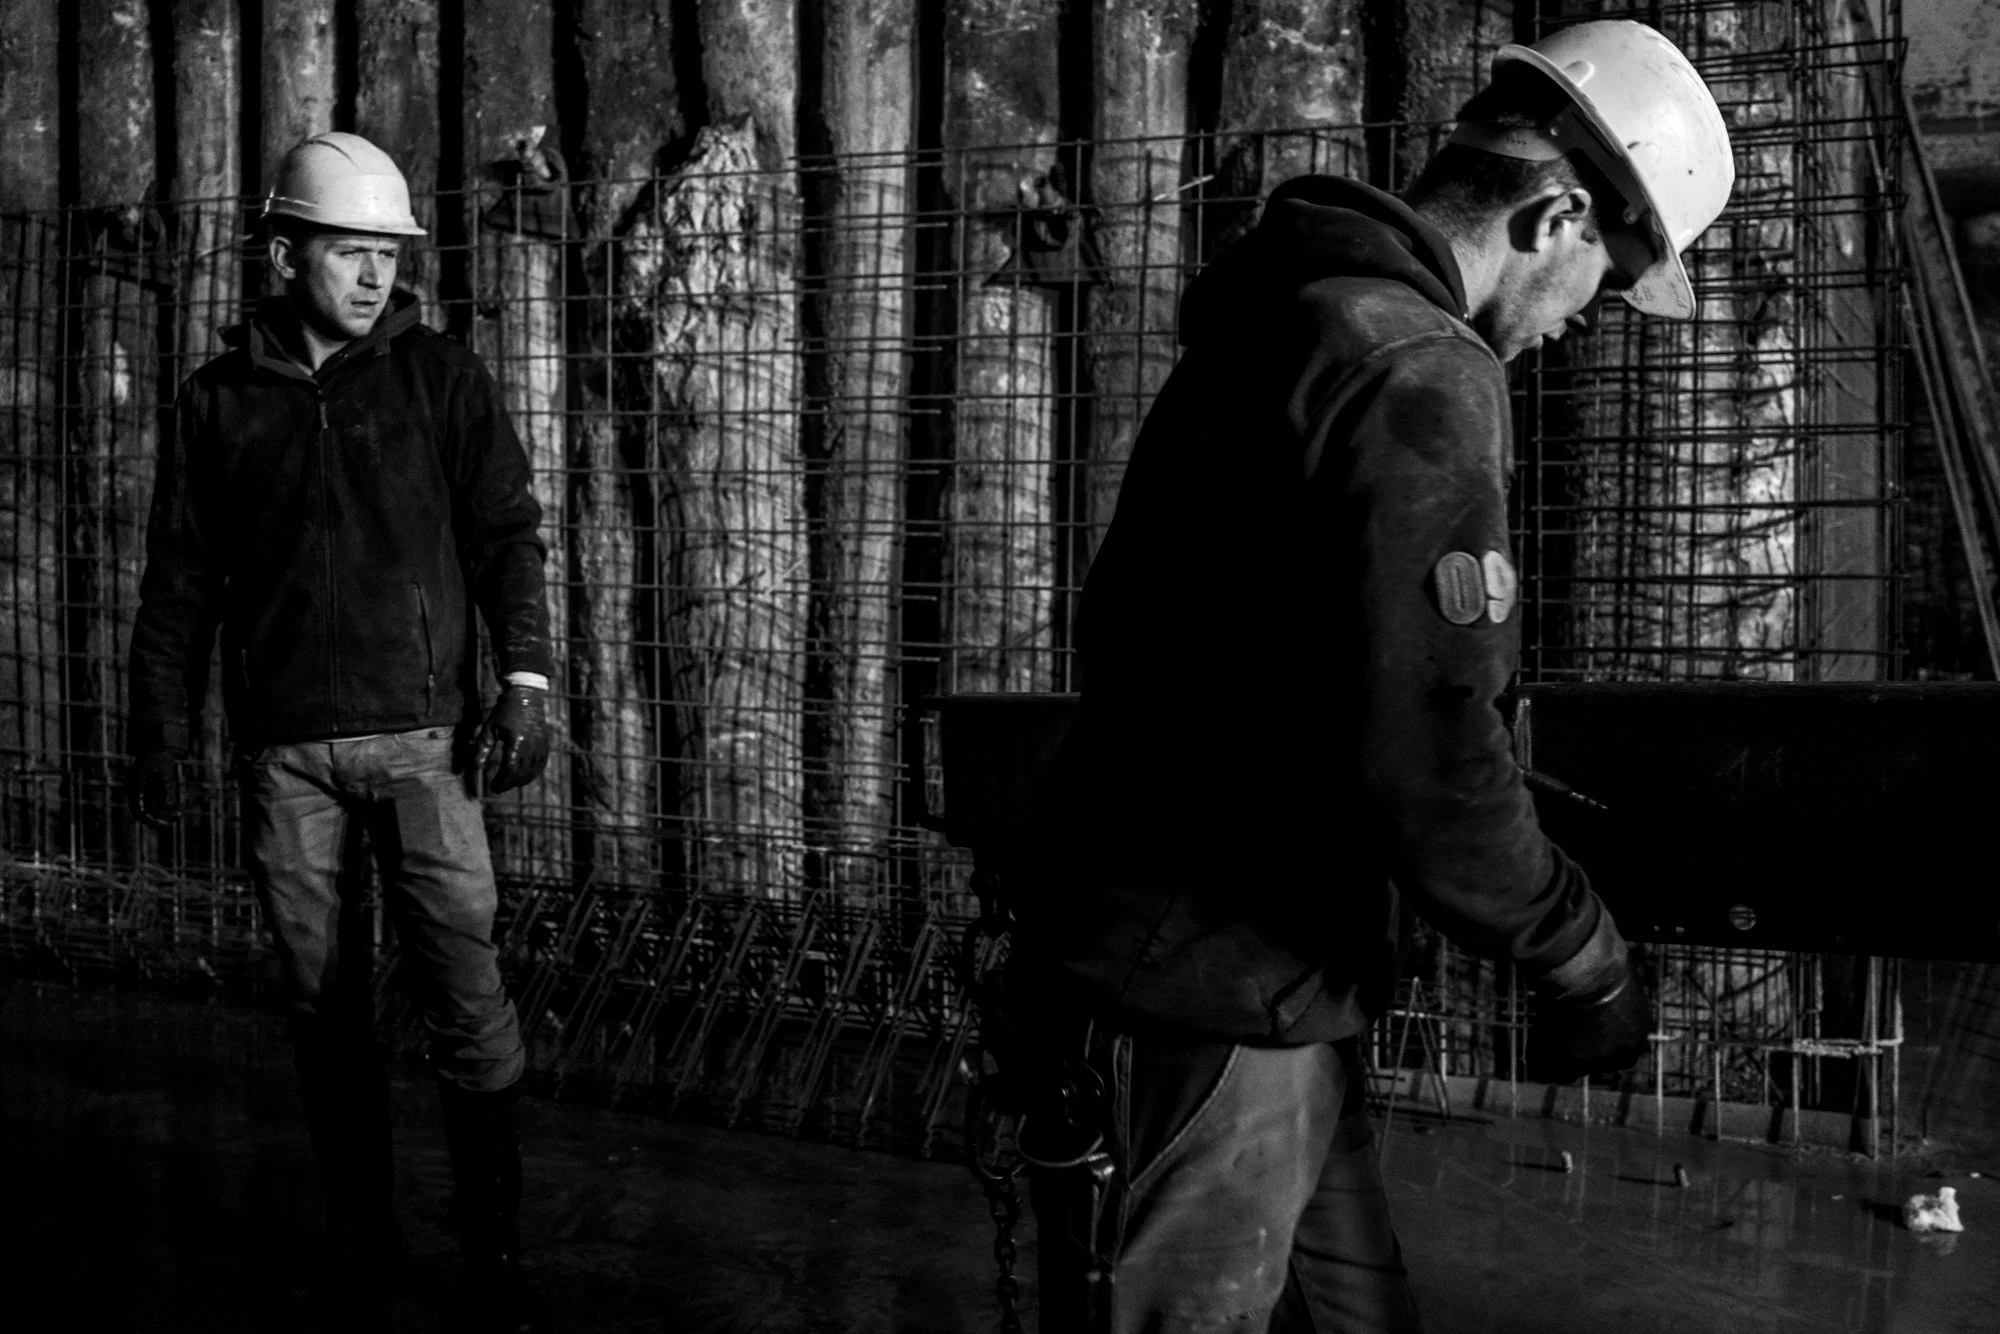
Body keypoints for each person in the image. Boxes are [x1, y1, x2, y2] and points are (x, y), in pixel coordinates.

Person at [999, 21, 1734, 1333]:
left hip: (1228, 972)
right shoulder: (1419, 366)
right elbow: (1434, 754)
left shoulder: (1277, 322)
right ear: (1557, 215)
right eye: (1606, 279)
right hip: (1212, 991)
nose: (1581, 321)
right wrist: (1576, 951)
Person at [127, 131, 555, 1333]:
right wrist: (158, 729)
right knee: (322, 1005)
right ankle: (363, 1247)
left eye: (388, 254)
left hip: (427, 741)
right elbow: (180, 581)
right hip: (288, 755)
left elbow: (507, 536)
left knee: (464, 987)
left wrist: (523, 682)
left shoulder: (440, 379)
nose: (374, 275)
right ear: (282, 254)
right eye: (348, 251)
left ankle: (496, 1263)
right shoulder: (217, 402)